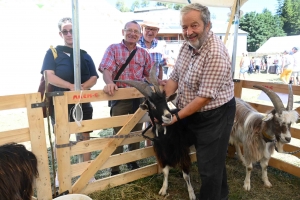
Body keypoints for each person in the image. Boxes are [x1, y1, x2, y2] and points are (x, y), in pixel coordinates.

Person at [162, 3, 235, 200]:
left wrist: (176, 116)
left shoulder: (215, 53)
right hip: (191, 110)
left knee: (208, 167)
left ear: (208, 25)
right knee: (214, 161)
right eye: (185, 27)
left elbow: (204, 98)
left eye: (194, 26)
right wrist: (164, 100)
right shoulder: (187, 46)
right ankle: (222, 196)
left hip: (215, 114)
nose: (188, 32)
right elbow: (175, 77)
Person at [41, 17, 99, 185]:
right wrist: (70, 86)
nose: (69, 34)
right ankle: (61, 174)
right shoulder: (53, 53)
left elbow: (94, 77)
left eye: (72, 30)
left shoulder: (84, 54)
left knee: (84, 135)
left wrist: (81, 88)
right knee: (61, 137)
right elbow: (49, 75)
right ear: (61, 34)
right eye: (65, 31)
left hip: (83, 101)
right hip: (60, 102)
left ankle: (86, 171)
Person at [99, 20, 152, 176]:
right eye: (130, 30)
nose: (133, 34)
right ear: (123, 32)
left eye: (136, 32)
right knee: (119, 131)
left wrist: (158, 82)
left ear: (140, 35)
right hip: (120, 96)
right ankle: (115, 167)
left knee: (136, 130)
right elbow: (106, 69)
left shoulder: (143, 53)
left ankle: (132, 161)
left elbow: (149, 74)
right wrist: (109, 83)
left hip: (139, 98)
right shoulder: (113, 49)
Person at [138, 20, 168, 147]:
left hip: (154, 87)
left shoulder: (160, 46)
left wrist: (159, 83)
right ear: (143, 29)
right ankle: (138, 143)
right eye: (148, 28)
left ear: (157, 32)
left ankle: (149, 143)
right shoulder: (136, 43)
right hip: (140, 87)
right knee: (139, 114)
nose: (150, 32)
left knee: (153, 113)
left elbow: (161, 66)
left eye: (154, 29)